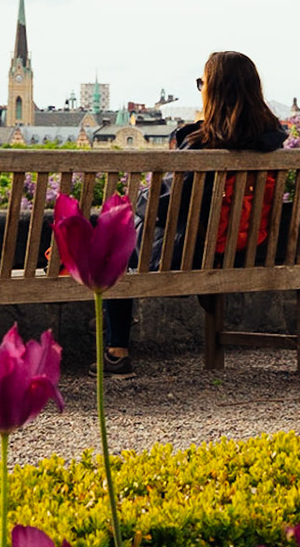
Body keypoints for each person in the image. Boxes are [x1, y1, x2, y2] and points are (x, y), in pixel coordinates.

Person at [104, 50, 288, 377]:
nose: (200, 88)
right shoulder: (272, 145)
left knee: (112, 241)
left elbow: (169, 207)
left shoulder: (202, 142)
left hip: (190, 255)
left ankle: (117, 352)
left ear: (214, 89)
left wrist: (138, 201)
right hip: (246, 252)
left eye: (203, 82)